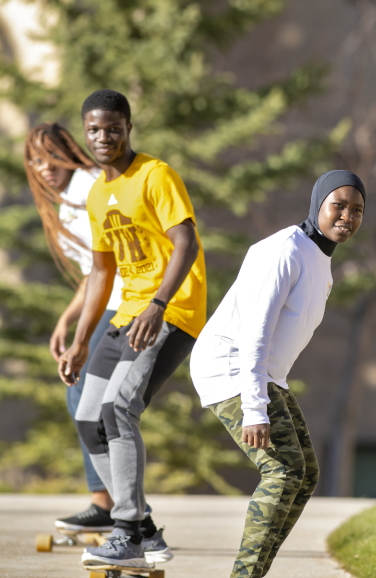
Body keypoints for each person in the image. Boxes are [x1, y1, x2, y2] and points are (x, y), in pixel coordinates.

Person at [57, 89, 207, 570]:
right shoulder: (98, 194)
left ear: (128, 127)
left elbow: (186, 241)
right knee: (87, 414)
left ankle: (126, 533)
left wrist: (159, 305)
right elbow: (101, 273)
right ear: (87, 132)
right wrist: (81, 341)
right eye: (95, 130)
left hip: (172, 310)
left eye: (113, 128)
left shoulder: (156, 175)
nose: (104, 137)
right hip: (127, 314)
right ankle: (141, 527)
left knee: (119, 410)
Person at [190, 170, 366, 578]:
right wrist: (254, 408)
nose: (347, 216)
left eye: (356, 210)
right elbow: (256, 330)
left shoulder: (319, 259)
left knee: (305, 475)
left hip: (264, 373)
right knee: (282, 470)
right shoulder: (284, 250)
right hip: (231, 368)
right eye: (338, 206)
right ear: (317, 204)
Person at [24, 122, 124, 531]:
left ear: (66, 151)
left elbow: (110, 264)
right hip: (106, 300)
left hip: (127, 300)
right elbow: (91, 275)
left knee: (85, 393)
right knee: (83, 395)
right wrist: (65, 321)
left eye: (50, 156)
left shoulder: (89, 184)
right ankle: (109, 503)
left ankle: (113, 505)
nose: (43, 166)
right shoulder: (65, 201)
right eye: (34, 160)